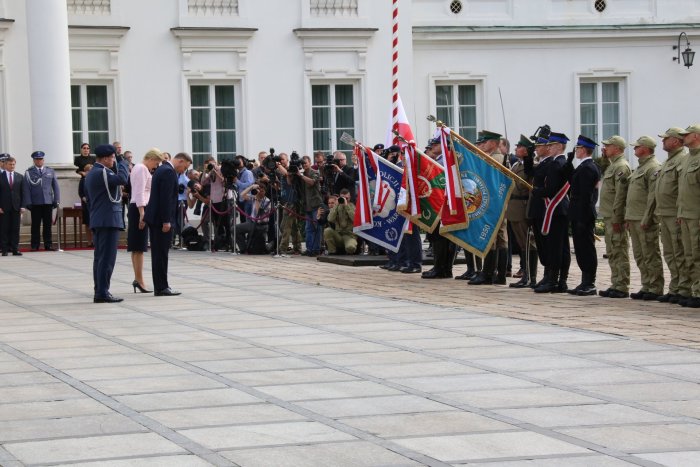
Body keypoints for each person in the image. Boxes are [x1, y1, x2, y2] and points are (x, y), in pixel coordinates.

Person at [85, 144, 129, 303]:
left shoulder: (93, 172)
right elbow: (122, 179)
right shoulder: (101, 172)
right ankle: (102, 292)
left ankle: (100, 290)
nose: (113, 160)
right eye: (111, 157)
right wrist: (123, 163)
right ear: (104, 158)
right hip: (107, 220)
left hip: (101, 218)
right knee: (106, 258)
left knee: (100, 258)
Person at [145, 152, 192, 296]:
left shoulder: (162, 169)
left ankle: (161, 285)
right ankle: (161, 287)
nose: (184, 170)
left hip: (156, 219)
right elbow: (166, 199)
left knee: (159, 254)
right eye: (185, 166)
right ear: (180, 161)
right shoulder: (168, 172)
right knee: (161, 254)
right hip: (161, 220)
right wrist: (167, 220)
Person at [654, 128, 690, 303]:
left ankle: (684, 288)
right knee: (670, 253)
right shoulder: (668, 162)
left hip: (675, 214)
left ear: (676, 141)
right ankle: (675, 287)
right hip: (664, 213)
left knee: (680, 252)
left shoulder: (682, 160)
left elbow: (682, 190)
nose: (662, 142)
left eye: (666, 139)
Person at [625, 136, 663, 301]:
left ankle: (655, 287)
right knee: (640, 255)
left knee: (650, 254)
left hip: (643, 218)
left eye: (637, 147)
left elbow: (652, 197)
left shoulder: (652, 167)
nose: (634, 150)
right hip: (634, 217)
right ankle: (646, 284)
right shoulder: (641, 167)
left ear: (646, 148)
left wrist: (647, 218)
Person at [469, 130, 509, 285]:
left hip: (493, 202)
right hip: (496, 203)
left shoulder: (495, 159)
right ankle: (498, 275)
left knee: (492, 237)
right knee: (499, 238)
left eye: (485, 142)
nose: (482, 145)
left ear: (493, 143)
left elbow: (490, 182)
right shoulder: (493, 157)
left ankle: (488, 273)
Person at [564, 135, 601, 296]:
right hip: (579, 212)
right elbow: (572, 181)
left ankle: (589, 282)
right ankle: (585, 281)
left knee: (586, 249)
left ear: (584, 149)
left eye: (577, 148)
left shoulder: (588, 168)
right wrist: (569, 162)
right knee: (580, 249)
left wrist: (582, 218)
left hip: (583, 214)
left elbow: (586, 196)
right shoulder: (583, 166)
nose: (576, 150)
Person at [598, 135, 631, 298]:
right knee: (612, 251)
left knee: (619, 250)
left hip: (615, 216)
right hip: (609, 215)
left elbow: (621, 195)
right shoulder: (613, 165)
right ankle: (616, 283)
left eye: (608, 146)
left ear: (617, 148)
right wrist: (604, 157)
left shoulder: (621, 167)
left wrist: (618, 218)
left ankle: (622, 286)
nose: (605, 148)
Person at [128, 148, 164, 293]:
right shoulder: (142, 168)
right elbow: (139, 191)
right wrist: (142, 214)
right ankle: (139, 280)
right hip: (139, 209)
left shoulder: (138, 167)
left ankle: (138, 278)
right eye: (156, 163)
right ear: (151, 159)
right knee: (139, 247)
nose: (156, 166)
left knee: (137, 247)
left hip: (137, 208)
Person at [507, 135, 538, 288]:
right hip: (513, 207)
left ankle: (530, 276)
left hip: (522, 206)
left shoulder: (531, 166)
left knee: (528, 244)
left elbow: (528, 186)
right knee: (521, 243)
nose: (515, 149)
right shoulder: (515, 165)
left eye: (519, 146)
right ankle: (525, 272)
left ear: (526, 150)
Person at [677, 123, 700, 308]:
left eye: (687, 134)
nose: (683, 137)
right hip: (686, 214)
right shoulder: (686, 160)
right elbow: (682, 191)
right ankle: (695, 289)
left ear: (696, 136)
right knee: (689, 255)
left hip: (696, 215)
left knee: (698, 254)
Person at [23, 151, 60, 251]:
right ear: (34, 160)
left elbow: (55, 186)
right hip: (35, 202)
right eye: (37, 159)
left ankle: (48, 244)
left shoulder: (50, 171)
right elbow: (26, 188)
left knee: (47, 225)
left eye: (40, 159)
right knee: (35, 225)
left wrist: (56, 200)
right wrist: (28, 202)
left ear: (43, 160)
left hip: (48, 202)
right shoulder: (29, 172)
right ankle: (35, 245)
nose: (39, 161)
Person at [236, 182, 272, 254]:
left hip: (261, 225)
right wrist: (251, 187)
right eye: (259, 191)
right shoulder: (254, 197)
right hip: (252, 223)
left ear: (265, 191)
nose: (260, 193)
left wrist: (257, 199)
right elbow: (242, 195)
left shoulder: (267, 201)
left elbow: (258, 211)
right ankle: (243, 248)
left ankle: (248, 248)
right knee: (234, 229)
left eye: (262, 191)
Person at [0, 156, 25, 256]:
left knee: (15, 229)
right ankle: (5, 249)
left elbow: (23, 192)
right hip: (4, 207)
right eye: (10, 164)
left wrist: (23, 206)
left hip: (16, 207)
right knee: (4, 229)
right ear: (5, 165)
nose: (12, 166)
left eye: (13, 164)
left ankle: (15, 249)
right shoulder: (0, 176)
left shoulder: (19, 176)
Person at [298, 155, 323, 256]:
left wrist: (301, 176)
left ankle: (316, 249)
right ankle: (309, 249)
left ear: (310, 162)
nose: (304, 165)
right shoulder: (301, 173)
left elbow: (312, 182)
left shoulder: (315, 172)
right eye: (302, 163)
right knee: (308, 229)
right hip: (307, 205)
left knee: (317, 227)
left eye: (306, 163)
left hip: (316, 204)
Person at [324, 188, 357, 255]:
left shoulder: (352, 206)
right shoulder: (336, 207)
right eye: (343, 198)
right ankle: (332, 251)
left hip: (349, 235)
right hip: (338, 235)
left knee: (350, 248)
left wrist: (346, 206)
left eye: (346, 198)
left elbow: (355, 219)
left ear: (350, 198)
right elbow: (330, 219)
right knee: (327, 231)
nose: (345, 199)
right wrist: (336, 206)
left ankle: (345, 249)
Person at [78, 163, 94, 247]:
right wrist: (85, 199)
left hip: (95, 204)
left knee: (95, 223)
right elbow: (80, 192)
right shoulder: (82, 180)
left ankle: (95, 241)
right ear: (85, 171)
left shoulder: (96, 180)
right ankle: (89, 241)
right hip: (86, 205)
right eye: (89, 171)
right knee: (88, 224)